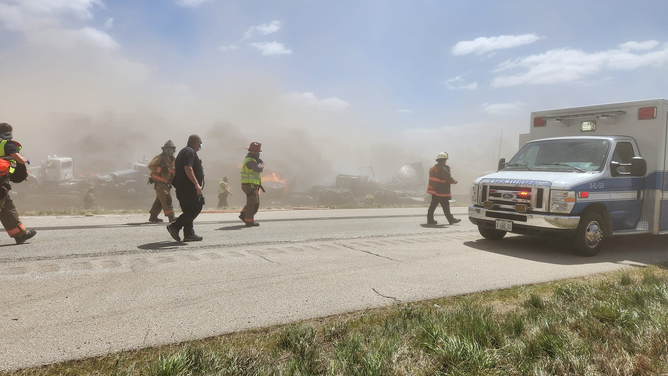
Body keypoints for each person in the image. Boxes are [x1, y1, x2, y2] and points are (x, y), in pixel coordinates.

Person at [0, 123, 36, 244]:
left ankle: (20, 235)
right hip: (1, 182)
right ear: (9, 132)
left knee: (7, 207)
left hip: (3, 184)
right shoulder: (8, 144)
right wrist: (25, 159)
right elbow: (19, 159)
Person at [167, 135, 204, 242]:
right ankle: (175, 226)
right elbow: (188, 168)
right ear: (196, 142)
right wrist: (197, 184)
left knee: (188, 211)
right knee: (196, 207)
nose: (201, 145)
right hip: (188, 188)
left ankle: (189, 234)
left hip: (182, 188)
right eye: (200, 143)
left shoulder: (185, 151)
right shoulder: (190, 152)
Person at [426, 152, 461, 225]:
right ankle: (451, 220)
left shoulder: (432, 169)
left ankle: (430, 220)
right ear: (442, 160)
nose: (445, 161)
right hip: (442, 191)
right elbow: (448, 178)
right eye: (445, 160)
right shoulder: (443, 168)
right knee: (445, 206)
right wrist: (454, 181)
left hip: (434, 191)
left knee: (432, 206)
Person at [148, 140, 176, 223]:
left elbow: (173, 172)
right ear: (163, 150)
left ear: (173, 151)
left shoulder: (173, 160)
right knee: (167, 198)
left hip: (167, 184)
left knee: (160, 200)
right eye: (167, 149)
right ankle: (171, 217)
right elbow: (150, 166)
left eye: (170, 150)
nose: (168, 151)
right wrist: (161, 169)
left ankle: (153, 216)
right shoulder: (160, 157)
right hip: (159, 184)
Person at [239, 142, 263, 227]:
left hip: (250, 185)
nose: (256, 153)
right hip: (250, 185)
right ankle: (249, 221)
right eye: (255, 152)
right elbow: (258, 169)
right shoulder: (251, 161)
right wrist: (261, 165)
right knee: (252, 204)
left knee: (253, 202)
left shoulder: (251, 160)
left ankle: (243, 215)